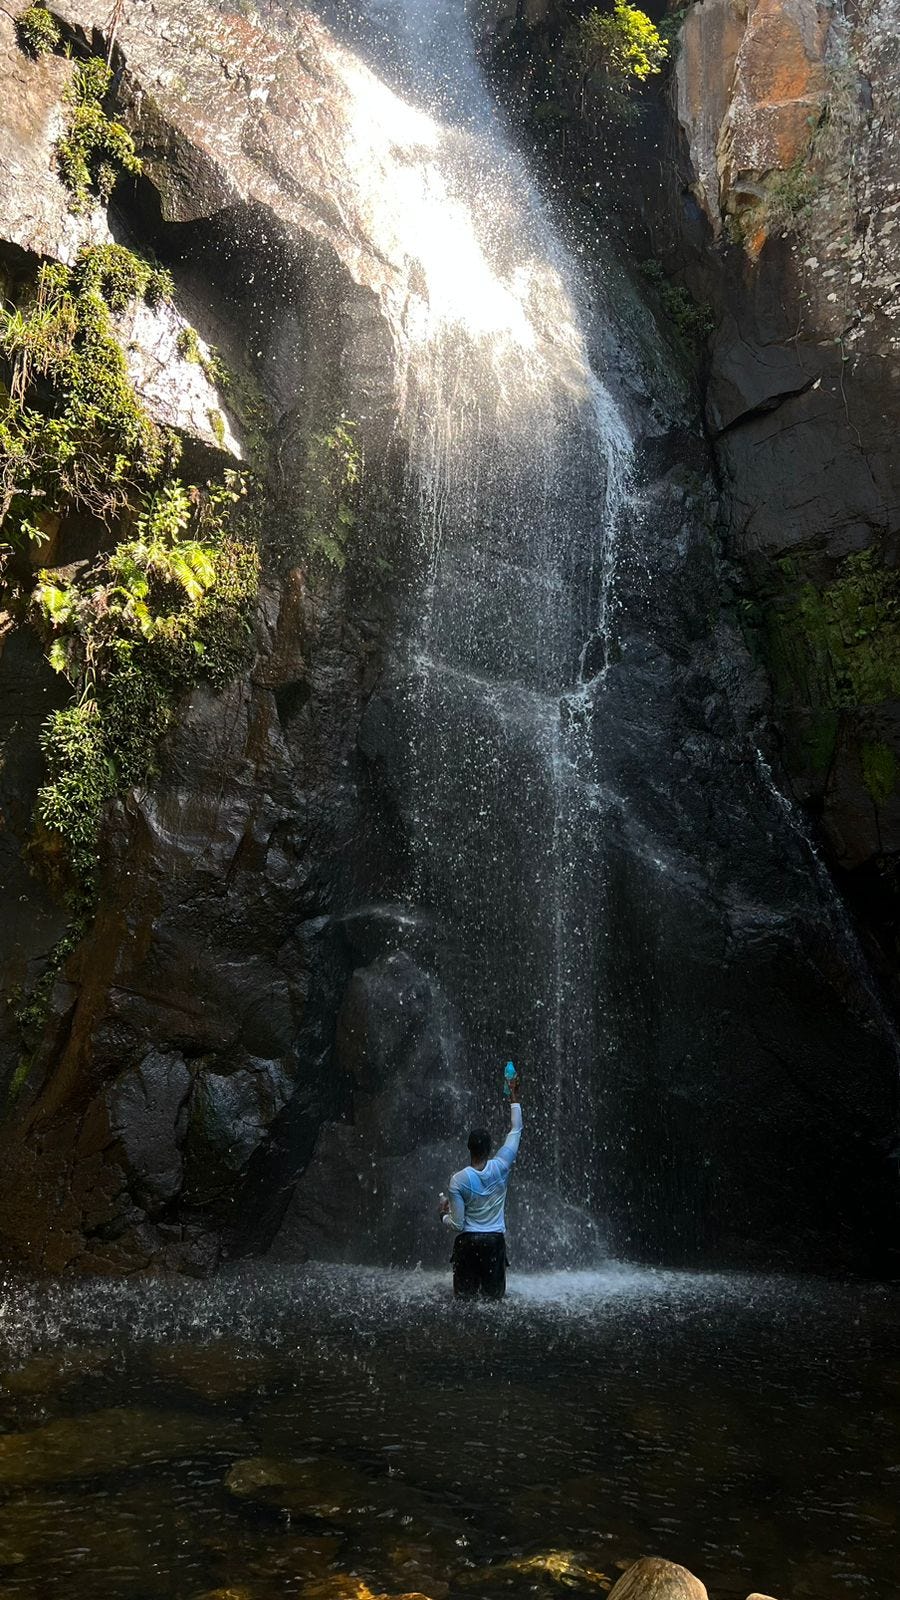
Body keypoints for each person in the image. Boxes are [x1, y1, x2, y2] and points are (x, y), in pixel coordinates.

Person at [438, 1070, 523, 1300]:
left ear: (469, 1148)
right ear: (490, 1148)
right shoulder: (501, 1166)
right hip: (494, 1244)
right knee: (494, 1304)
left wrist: (442, 1216)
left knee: (464, 1305)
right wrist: (513, 1096)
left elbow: (457, 1224)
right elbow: (516, 1130)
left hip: (467, 1245)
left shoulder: (459, 1179)